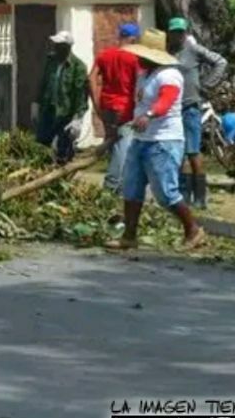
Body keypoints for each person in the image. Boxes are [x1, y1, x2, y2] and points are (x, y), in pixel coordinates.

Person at [106, 44, 206, 250]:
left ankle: (193, 230)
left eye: (142, 55)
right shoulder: (145, 75)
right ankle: (129, 236)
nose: (138, 59)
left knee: (165, 193)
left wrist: (149, 115)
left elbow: (165, 101)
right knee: (131, 188)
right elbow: (138, 105)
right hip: (142, 140)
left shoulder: (170, 75)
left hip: (164, 141)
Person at [166, 17, 227, 209]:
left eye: (181, 32)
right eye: (174, 32)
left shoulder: (192, 49)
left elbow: (220, 62)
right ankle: (183, 195)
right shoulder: (166, 51)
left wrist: (207, 85)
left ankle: (200, 197)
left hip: (190, 105)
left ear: (185, 33)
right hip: (171, 108)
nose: (178, 35)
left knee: (192, 151)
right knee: (178, 152)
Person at [90, 23, 143, 191]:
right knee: (122, 146)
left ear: (120, 36)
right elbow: (140, 86)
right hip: (125, 108)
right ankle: (110, 186)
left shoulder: (105, 55)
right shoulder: (135, 59)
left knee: (113, 143)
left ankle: (121, 188)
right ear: (134, 39)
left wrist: (96, 103)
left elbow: (91, 78)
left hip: (106, 106)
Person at [35, 31, 90, 164]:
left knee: (64, 149)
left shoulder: (78, 67)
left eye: (59, 45)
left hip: (66, 113)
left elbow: (81, 94)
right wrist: (36, 103)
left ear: (67, 47)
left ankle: (62, 174)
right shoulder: (51, 61)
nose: (56, 47)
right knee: (41, 144)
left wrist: (78, 118)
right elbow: (43, 83)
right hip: (49, 109)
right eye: (55, 44)